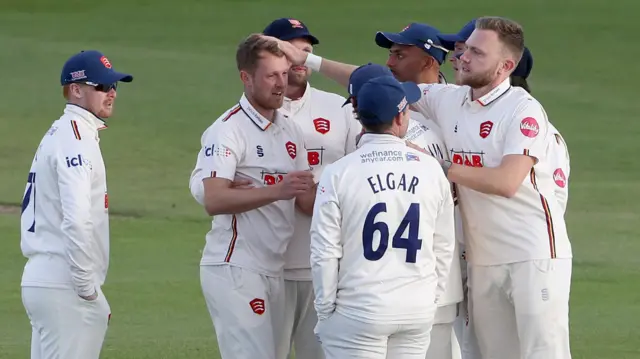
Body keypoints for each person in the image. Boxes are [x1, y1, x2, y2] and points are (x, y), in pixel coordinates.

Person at [264, 15, 573, 359]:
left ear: (506, 66)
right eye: (465, 49)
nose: (462, 57)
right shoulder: (450, 99)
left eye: (477, 53)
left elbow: (506, 181)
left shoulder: (522, 110)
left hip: (531, 254)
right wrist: (307, 59)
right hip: (481, 258)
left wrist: (436, 166)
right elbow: (374, 83)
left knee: (543, 353)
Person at [310, 75, 456, 359]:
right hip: (417, 308)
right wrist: (431, 298)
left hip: (359, 309)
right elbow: (443, 245)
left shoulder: (339, 172)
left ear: (360, 117)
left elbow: (324, 251)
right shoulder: (431, 169)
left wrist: (325, 310)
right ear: (401, 117)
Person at [194, 33, 315, 359]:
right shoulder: (227, 130)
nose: (280, 84)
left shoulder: (290, 129)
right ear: (246, 78)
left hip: (274, 269)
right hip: (236, 267)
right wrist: (278, 190)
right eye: (271, 76)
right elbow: (214, 199)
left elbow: (306, 199)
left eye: (284, 74)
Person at [20, 50, 133, 359]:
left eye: (115, 86)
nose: (111, 93)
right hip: (64, 282)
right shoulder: (75, 140)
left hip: (46, 278)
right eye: (102, 86)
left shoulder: (60, 133)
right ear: (76, 90)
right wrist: (85, 286)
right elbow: (77, 216)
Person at [261, 18, 362, 359]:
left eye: (306, 51)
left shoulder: (338, 107)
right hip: (269, 265)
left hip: (327, 265)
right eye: (291, 50)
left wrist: (316, 200)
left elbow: (357, 177)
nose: (300, 57)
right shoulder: (252, 113)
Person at [375, 23, 465, 359]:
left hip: (459, 254)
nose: (390, 62)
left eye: (399, 54)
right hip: (404, 264)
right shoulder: (384, 108)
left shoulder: (458, 108)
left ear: (429, 61)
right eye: (389, 53)